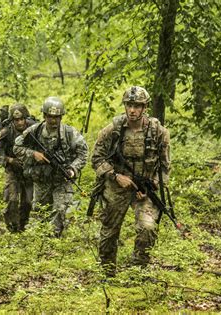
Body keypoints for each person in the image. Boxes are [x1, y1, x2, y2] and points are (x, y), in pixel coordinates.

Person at [91, 86, 170, 277]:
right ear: (125, 106)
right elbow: (96, 159)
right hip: (116, 186)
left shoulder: (158, 132)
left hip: (143, 189)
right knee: (109, 231)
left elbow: (165, 167)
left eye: (137, 105)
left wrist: (152, 186)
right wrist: (115, 176)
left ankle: (138, 271)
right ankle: (107, 272)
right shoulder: (112, 130)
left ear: (145, 107)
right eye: (129, 105)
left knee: (148, 228)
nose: (132, 110)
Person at [14, 97, 88, 237]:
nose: (53, 120)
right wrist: (33, 154)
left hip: (62, 180)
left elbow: (83, 153)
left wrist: (73, 169)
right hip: (42, 179)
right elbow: (17, 147)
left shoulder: (69, 133)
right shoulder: (34, 131)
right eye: (50, 117)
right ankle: (38, 243)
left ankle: (54, 242)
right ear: (44, 115)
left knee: (60, 211)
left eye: (57, 117)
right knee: (40, 212)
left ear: (61, 117)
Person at [0, 104, 36, 232]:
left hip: (29, 170)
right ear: (12, 120)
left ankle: (23, 225)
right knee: (12, 199)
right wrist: (10, 160)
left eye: (22, 119)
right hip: (13, 170)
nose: (20, 122)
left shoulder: (34, 129)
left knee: (28, 202)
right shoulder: (6, 132)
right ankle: (12, 228)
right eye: (16, 120)